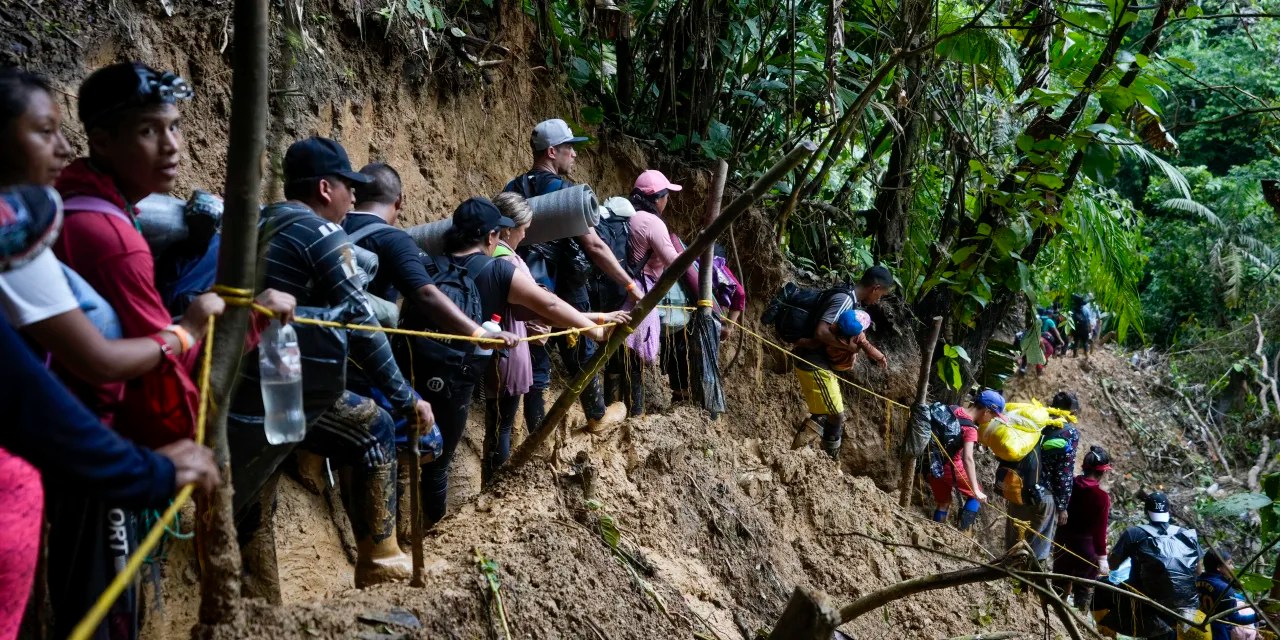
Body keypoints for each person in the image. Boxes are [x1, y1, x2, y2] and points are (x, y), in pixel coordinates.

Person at [44, 62, 292, 638]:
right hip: (95, 445)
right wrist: (238, 325)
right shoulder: (115, 241)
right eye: (149, 131)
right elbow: (161, 367)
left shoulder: (72, 208)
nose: (172, 145)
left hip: (58, 435)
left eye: (176, 127)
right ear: (101, 140)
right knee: (104, 614)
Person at [0, 190, 220, 640]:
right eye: (43, 132)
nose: (60, 147)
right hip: (93, 454)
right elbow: (91, 363)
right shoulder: (107, 238)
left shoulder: (53, 226)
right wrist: (185, 332)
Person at [230, 136, 432, 588]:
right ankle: (379, 556)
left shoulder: (259, 223)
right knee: (374, 427)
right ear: (325, 189)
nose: (354, 196)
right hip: (285, 387)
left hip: (238, 384)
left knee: (253, 505)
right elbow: (360, 322)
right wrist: (404, 399)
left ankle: (257, 609)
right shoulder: (320, 233)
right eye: (348, 186)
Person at [503, 118, 632, 433]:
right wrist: (630, 284)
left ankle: (535, 430)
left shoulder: (511, 188)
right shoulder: (564, 193)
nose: (574, 155)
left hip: (524, 281)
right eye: (569, 148)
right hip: (563, 284)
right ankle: (597, 415)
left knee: (538, 354)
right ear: (551, 152)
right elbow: (595, 247)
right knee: (581, 347)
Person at [788, 266, 893, 460]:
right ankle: (822, 460)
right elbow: (821, 332)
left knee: (827, 413)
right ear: (875, 288)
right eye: (881, 295)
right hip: (813, 362)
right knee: (835, 414)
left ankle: (811, 460)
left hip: (816, 362)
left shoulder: (849, 299)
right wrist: (848, 349)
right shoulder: (845, 300)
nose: (878, 300)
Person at [1102, 492, 1203, 639]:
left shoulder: (1134, 534)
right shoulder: (1185, 534)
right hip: (1182, 602)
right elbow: (1198, 570)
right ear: (1168, 511)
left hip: (1145, 600)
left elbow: (1113, 566)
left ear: (1146, 512)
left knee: (1105, 589)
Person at [1054, 445, 1113, 611]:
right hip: (1086, 549)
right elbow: (1099, 532)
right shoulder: (1101, 497)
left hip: (1062, 542)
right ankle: (1080, 620)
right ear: (1103, 472)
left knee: (1059, 580)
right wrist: (1102, 558)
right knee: (1084, 587)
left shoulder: (1069, 483)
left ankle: (1054, 613)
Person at [923, 401, 986, 532]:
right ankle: (963, 534)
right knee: (976, 495)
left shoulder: (953, 409)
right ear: (986, 412)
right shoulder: (971, 429)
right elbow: (968, 458)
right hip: (950, 468)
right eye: (993, 416)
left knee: (943, 502)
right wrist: (975, 489)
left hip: (933, 464)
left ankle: (935, 533)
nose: (991, 419)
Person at [1197, 549, 1260, 640]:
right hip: (1218, 634)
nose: (1233, 567)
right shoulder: (1226, 590)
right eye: (1230, 563)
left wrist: (1239, 597)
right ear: (1219, 567)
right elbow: (1236, 619)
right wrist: (1258, 616)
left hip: (1200, 625)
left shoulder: (1198, 580)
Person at [1045, 391, 1082, 525]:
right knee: (1037, 544)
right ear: (1071, 412)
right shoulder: (1069, 433)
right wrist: (1062, 506)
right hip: (1044, 496)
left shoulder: (1039, 423)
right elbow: (1064, 472)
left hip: (1022, 486)